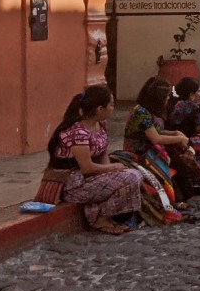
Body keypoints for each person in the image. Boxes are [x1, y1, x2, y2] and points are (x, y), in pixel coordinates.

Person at [46, 85, 142, 235]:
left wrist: (112, 174)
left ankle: (100, 214)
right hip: (73, 183)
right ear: (99, 109)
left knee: (132, 175)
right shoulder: (78, 133)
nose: (112, 108)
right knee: (131, 176)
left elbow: (103, 154)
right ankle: (100, 218)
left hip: (90, 179)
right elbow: (87, 168)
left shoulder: (101, 125)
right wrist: (113, 169)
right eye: (111, 105)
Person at [122, 76, 194, 206]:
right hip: (139, 153)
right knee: (174, 161)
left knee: (178, 158)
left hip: (151, 149)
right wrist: (179, 138)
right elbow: (155, 138)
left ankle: (182, 196)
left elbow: (155, 131)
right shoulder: (140, 112)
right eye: (166, 97)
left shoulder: (149, 112)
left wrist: (174, 133)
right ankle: (173, 200)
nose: (168, 99)